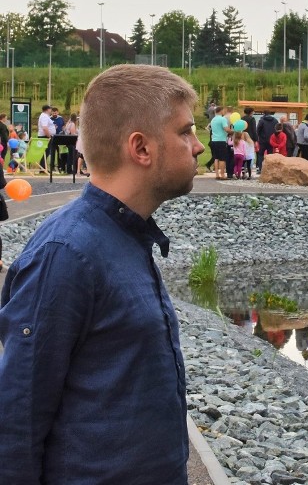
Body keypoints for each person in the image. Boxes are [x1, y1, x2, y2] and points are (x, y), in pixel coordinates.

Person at [0, 64, 204, 483]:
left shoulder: (124, 235)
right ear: (141, 149)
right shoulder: (68, 254)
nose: (198, 146)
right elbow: (17, 424)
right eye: (185, 132)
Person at [209, 106, 232, 180]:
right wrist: (233, 131)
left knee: (216, 158)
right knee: (222, 158)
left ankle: (217, 174)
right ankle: (222, 175)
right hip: (221, 140)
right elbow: (226, 129)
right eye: (223, 110)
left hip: (214, 140)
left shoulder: (213, 120)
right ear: (221, 111)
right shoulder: (222, 119)